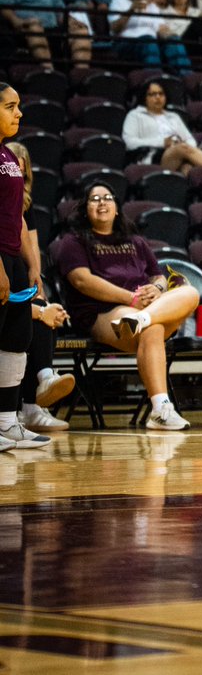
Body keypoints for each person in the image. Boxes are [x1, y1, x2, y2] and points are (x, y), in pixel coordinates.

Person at [56, 181, 200, 430]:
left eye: (108, 197)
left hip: (142, 310)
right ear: (84, 208)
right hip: (103, 311)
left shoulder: (136, 241)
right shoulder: (73, 242)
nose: (102, 203)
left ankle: (144, 318)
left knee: (190, 293)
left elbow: (158, 276)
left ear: (117, 207)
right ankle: (160, 409)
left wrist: (156, 290)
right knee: (153, 328)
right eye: (95, 199)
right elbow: (82, 280)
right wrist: (130, 299)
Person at [6, 142, 74, 431]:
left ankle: (31, 406)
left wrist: (40, 299)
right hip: (7, 296)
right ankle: (16, 412)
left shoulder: (23, 210)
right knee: (34, 317)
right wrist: (38, 311)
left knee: (44, 311)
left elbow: (30, 256)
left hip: (16, 288)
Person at [0, 84, 50, 450]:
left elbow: (16, 215)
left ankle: (7, 423)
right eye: (10, 107)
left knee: (18, 338)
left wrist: (32, 264)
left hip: (13, 259)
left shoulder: (9, 157)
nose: (19, 114)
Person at [122, 79, 202, 173]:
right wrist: (163, 142)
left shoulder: (173, 116)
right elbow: (129, 142)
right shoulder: (135, 115)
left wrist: (180, 143)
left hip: (178, 154)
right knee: (183, 149)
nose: (158, 97)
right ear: (144, 98)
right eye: (152, 94)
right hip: (152, 156)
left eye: (161, 94)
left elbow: (190, 140)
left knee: (186, 167)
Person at [108, 0, 191, 73]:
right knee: (149, 41)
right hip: (125, 44)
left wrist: (171, 35)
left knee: (174, 41)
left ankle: (186, 78)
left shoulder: (152, 6)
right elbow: (114, 28)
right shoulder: (119, 1)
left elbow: (161, 28)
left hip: (151, 43)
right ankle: (154, 79)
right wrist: (130, 11)